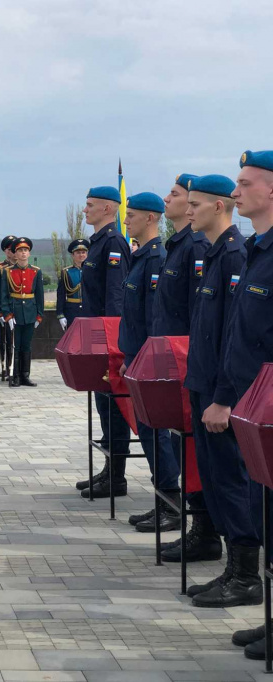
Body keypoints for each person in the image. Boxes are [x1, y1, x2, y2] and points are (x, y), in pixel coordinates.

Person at [179, 173, 257, 609]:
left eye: (196, 204)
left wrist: (223, 397)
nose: (189, 211)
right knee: (214, 480)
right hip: (204, 385)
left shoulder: (233, 256)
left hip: (220, 392)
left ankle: (246, 575)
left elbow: (234, 334)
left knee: (231, 482)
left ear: (219, 207)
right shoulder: (212, 255)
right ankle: (232, 568)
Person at [151, 174, 217, 559]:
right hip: (175, 363)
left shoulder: (195, 247)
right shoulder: (179, 246)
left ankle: (205, 530)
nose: (171, 199)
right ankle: (199, 528)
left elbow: (198, 316)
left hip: (187, 361)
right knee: (183, 444)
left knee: (195, 453)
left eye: (177, 195)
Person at [225, 150, 273, 660]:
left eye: (245, 183)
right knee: (266, 521)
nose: (237, 193)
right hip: (253, 406)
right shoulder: (259, 249)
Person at [116, 193, 180, 533]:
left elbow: (154, 317)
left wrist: (141, 359)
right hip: (136, 358)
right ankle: (162, 500)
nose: (127, 221)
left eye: (133, 216)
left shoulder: (156, 259)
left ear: (151, 219)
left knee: (155, 434)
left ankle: (171, 503)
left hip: (147, 360)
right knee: (147, 431)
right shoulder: (141, 257)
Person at [77, 186, 133, 499]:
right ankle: (109, 469)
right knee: (103, 407)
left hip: (107, 339)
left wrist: (113, 344)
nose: (85, 210)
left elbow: (115, 298)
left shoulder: (113, 243)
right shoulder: (99, 242)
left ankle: (118, 476)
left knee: (113, 409)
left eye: (90, 205)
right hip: (96, 339)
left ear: (108, 209)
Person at [0, 237, 43, 388]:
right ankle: (16, 375)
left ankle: (25, 375)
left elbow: (39, 295)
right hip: (15, 312)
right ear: (15, 254)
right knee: (15, 346)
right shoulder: (8, 272)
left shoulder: (36, 271)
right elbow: (4, 295)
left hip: (30, 312)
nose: (23, 253)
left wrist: (39, 315)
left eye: (25, 250)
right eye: (20, 251)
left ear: (29, 254)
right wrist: (7, 314)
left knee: (26, 346)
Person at [0, 235, 17, 381]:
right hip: (4, 310)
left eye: (15, 249)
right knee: (5, 340)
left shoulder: (24, 267)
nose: (13, 252)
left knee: (19, 341)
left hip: (20, 309)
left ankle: (18, 368)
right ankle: (6, 366)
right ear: (5, 251)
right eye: (9, 249)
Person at [56, 239, 89, 332]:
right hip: (71, 310)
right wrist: (60, 314)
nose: (81, 255)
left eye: (83, 252)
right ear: (73, 255)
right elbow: (61, 294)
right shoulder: (66, 272)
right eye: (78, 252)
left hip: (88, 310)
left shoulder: (93, 271)